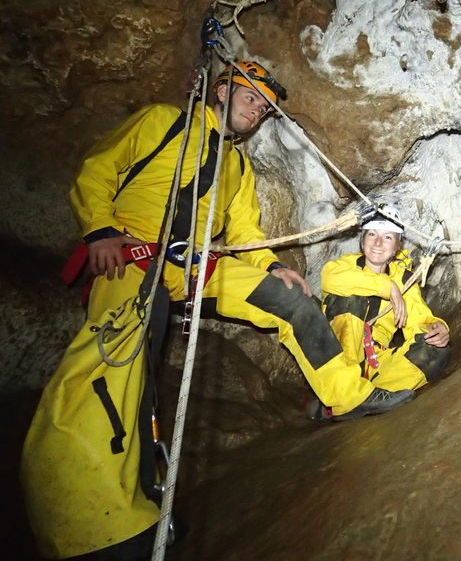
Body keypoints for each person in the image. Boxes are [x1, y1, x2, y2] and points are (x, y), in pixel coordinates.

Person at [20, 61, 413, 560]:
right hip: (132, 258)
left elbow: (245, 231)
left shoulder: (237, 167)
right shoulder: (164, 122)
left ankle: (349, 396)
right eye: (251, 99)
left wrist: (271, 267)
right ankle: (86, 523)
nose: (258, 111)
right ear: (222, 90)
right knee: (118, 353)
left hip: (192, 266)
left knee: (291, 300)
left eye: (265, 108)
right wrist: (99, 229)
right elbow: (99, 168)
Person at [315, 205, 450, 421]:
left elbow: (419, 319)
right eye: (372, 234)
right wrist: (387, 288)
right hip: (339, 356)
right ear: (362, 240)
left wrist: (437, 327)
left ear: (398, 245)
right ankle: (342, 393)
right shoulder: (343, 267)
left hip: (376, 361)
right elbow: (329, 280)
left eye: (387, 237)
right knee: (352, 299)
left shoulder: (404, 279)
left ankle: (373, 394)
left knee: (435, 349)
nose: (378, 243)